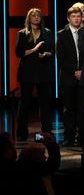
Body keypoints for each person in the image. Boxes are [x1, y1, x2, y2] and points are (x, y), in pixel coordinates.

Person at [15, 8, 55, 140]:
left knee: (45, 104)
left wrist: (46, 54)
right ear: (29, 18)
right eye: (34, 16)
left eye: (39, 15)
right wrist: (35, 49)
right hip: (27, 73)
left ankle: (46, 133)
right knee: (25, 103)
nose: (37, 17)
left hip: (43, 72)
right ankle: (22, 133)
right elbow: (19, 53)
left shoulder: (47, 32)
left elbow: (53, 51)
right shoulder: (22, 33)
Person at [56, 3, 84, 145]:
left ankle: (82, 137)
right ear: (68, 18)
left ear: (82, 17)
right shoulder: (62, 35)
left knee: (82, 109)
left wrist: (83, 71)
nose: (76, 19)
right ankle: (69, 137)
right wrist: (75, 71)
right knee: (69, 109)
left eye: (78, 16)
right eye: (73, 16)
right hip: (68, 78)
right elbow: (61, 58)